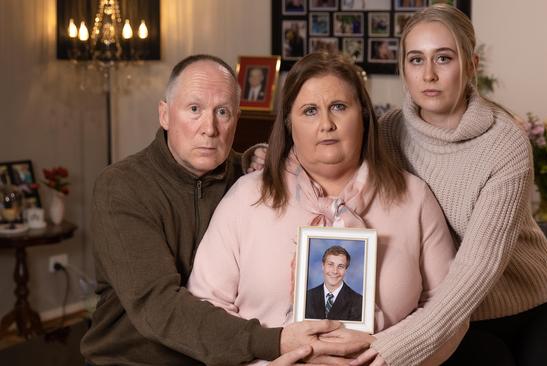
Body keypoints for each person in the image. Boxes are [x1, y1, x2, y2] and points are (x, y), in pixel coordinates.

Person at [80, 54, 367, 366]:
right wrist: (276, 342)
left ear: (237, 119)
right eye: (194, 109)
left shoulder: (250, 181)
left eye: (223, 112)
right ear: (164, 114)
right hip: (132, 359)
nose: (210, 128)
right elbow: (157, 306)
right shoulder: (122, 187)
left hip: (227, 358)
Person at [188, 52, 466, 365]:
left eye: (338, 107)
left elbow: (450, 312)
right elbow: (205, 308)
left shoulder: (415, 199)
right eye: (309, 111)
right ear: (289, 123)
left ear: (362, 114)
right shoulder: (246, 198)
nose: (326, 124)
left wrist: (390, 353)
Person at [350, 4, 547, 365]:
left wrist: (392, 349)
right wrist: (265, 156)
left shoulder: (506, 144)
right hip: (451, 319)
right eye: (415, 60)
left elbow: (476, 271)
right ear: (403, 69)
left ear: (470, 65)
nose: (428, 75)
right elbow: (325, 157)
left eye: (443, 58)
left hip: (530, 309)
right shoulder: (388, 132)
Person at [305, 246, 363, 321]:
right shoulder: (308, 297)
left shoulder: (358, 301)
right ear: (323, 266)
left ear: (346, 270)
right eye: (330, 264)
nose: (335, 271)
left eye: (340, 266)